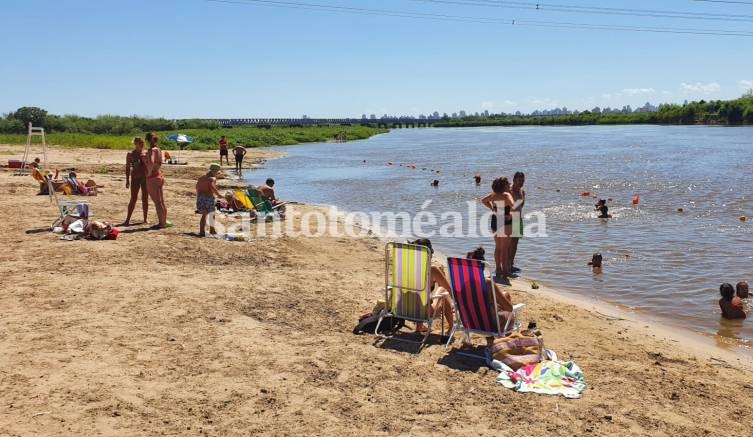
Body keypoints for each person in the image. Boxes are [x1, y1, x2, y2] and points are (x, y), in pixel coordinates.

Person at [466, 247, 516, 331]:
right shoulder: (487, 283)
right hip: (491, 325)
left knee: (505, 295)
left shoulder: (460, 282)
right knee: (510, 311)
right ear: (483, 266)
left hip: (471, 322)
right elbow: (509, 308)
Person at [411, 238, 455, 333]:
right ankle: (451, 327)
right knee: (443, 290)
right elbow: (449, 289)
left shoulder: (405, 268)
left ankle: (419, 326)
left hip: (402, 309)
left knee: (419, 298)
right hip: (424, 312)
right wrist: (441, 275)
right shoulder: (432, 270)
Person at [481, 177, 515, 278]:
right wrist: (511, 215)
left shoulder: (493, 195)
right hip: (505, 221)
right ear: (504, 185)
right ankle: (506, 271)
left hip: (495, 220)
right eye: (508, 183)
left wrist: (492, 208)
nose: (509, 185)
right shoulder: (506, 195)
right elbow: (513, 206)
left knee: (498, 247)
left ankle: (498, 269)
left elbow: (483, 200)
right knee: (505, 248)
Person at [145, 132, 168, 229]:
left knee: (157, 202)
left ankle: (161, 223)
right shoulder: (159, 149)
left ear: (148, 140)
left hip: (153, 177)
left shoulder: (152, 150)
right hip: (159, 175)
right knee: (161, 201)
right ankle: (163, 222)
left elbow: (151, 161)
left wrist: (149, 173)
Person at [123, 137, 148, 225]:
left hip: (145, 178)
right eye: (140, 143)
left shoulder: (145, 154)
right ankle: (127, 220)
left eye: (143, 143)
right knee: (133, 198)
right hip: (135, 178)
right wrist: (127, 180)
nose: (142, 144)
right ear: (135, 144)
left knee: (145, 198)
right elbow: (127, 168)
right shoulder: (130, 154)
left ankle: (145, 219)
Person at [196, 164, 222, 237]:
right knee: (212, 214)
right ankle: (212, 230)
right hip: (208, 197)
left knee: (204, 215)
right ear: (215, 172)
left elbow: (197, 187)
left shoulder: (201, 178)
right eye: (217, 173)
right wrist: (218, 195)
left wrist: (199, 196)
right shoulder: (212, 178)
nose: (217, 175)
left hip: (200, 197)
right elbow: (212, 187)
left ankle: (202, 231)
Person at [510, 171, 526, 273]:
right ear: (514, 180)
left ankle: (510, 265)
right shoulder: (509, 191)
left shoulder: (522, 192)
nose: (521, 182)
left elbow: (521, 205)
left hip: (517, 220)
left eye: (523, 180)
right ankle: (504, 265)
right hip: (508, 220)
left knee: (515, 244)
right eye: (519, 180)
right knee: (506, 244)